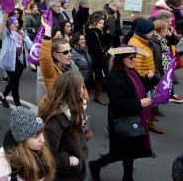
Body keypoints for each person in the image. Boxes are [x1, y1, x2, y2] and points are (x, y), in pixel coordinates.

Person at [89, 45, 155, 181]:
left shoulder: (132, 72)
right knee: (120, 152)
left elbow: (141, 89)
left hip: (133, 116)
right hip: (121, 119)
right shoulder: (114, 76)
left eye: (135, 56)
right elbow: (117, 103)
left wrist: (149, 79)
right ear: (121, 59)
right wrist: (139, 104)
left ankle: (127, 177)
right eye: (131, 57)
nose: (134, 60)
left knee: (130, 151)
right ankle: (96, 165)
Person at [39, 72, 88, 181]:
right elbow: (48, 157)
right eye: (82, 86)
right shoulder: (54, 122)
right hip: (66, 175)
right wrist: (69, 161)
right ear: (73, 91)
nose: (84, 89)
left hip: (77, 169)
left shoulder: (77, 109)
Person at [0, 107, 55, 181]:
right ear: (22, 140)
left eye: (42, 132)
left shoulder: (39, 148)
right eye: (35, 136)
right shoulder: (5, 170)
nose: (42, 140)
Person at [0, 15, 26, 108]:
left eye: (18, 22)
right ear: (9, 25)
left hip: (20, 60)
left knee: (14, 81)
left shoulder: (20, 31)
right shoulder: (6, 34)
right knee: (15, 83)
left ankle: (3, 97)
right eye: (15, 23)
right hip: (10, 60)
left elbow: (26, 43)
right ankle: (18, 106)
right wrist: (4, 17)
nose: (17, 24)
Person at [85, 15, 107, 105]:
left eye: (103, 23)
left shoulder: (100, 32)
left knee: (98, 76)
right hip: (94, 58)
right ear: (95, 23)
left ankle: (96, 96)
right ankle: (92, 96)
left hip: (99, 57)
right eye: (100, 23)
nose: (102, 25)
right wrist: (101, 49)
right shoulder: (91, 33)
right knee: (93, 76)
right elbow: (91, 47)